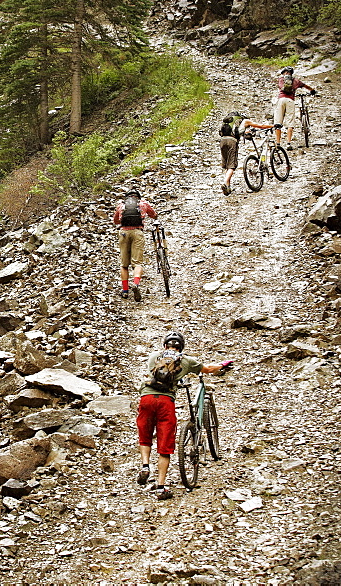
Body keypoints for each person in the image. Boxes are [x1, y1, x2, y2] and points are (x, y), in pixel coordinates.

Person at [136, 331, 232, 500]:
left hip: (147, 398)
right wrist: (222, 365)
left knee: (145, 436)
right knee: (165, 444)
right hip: (166, 402)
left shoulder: (154, 357)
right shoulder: (186, 361)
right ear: (181, 347)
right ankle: (161, 487)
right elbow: (208, 369)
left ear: (165, 345)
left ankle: (145, 466)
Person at [113, 188, 157, 302]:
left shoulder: (121, 205)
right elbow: (153, 214)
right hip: (138, 232)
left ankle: (125, 291)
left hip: (123, 233)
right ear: (138, 197)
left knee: (124, 264)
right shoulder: (143, 204)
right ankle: (136, 284)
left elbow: (116, 221)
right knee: (137, 263)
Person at [220, 115, 272, 195]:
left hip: (222, 141)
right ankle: (225, 182)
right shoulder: (245, 121)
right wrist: (273, 125)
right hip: (232, 141)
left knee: (227, 163)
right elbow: (261, 126)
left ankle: (228, 186)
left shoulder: (230, 123)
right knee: (232, 165)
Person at [272, 66, 316, 148]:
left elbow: (280, 87)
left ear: (284, 73)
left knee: (278, 122)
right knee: (290, 123)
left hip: (281, 100)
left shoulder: (281, 79)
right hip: (290, 101)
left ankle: (278, 143)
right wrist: (312, 90)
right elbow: (306, 86)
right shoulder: (296, 81)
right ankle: (288, 143)